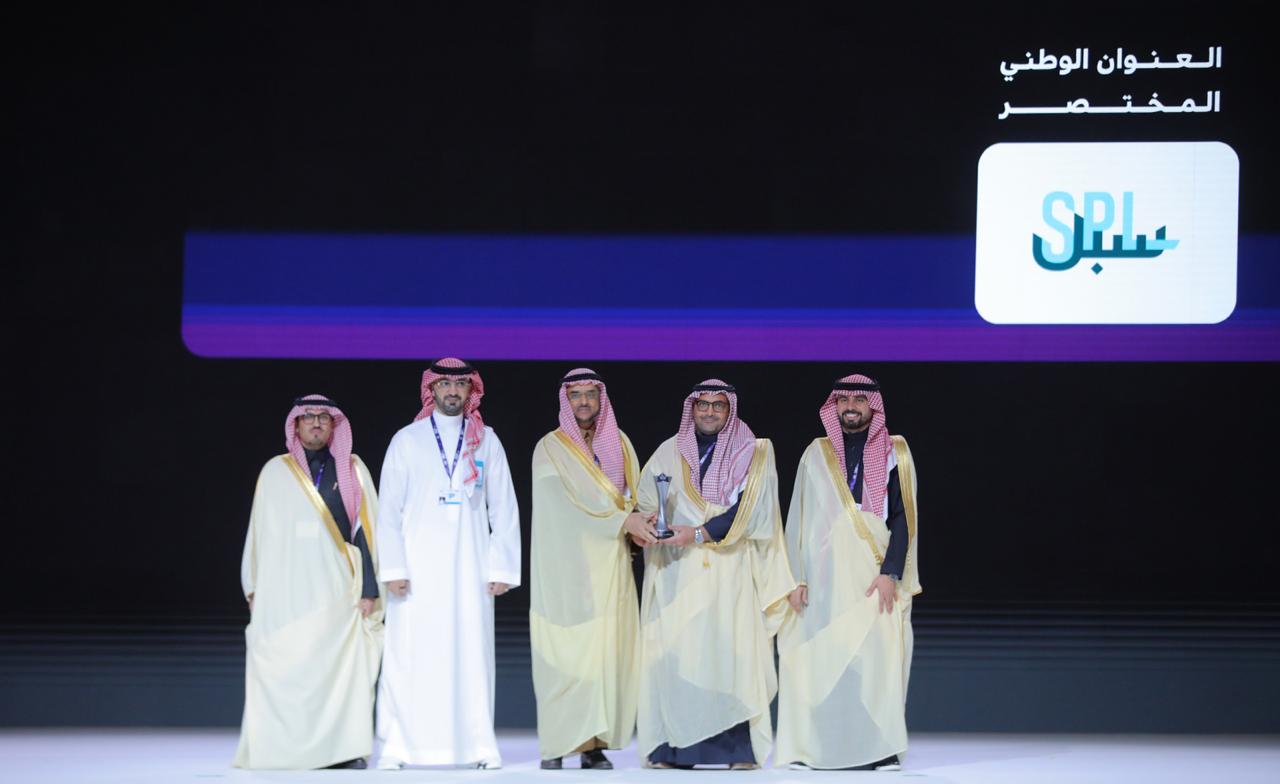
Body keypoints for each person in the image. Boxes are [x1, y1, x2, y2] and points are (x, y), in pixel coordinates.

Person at [633, 379, 795, 770]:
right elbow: (645, 501)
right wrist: (645, 525)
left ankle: (738, 752)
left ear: (729, 410)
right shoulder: (668, 451)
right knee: (678, 657)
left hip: (730, 569)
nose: (709, 412)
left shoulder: (753, 451)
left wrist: (698, 533)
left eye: (717, 405)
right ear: (692, 408)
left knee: (730, 656)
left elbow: (751, 512)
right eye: (702, 404)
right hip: (677, 572)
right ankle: (674, 752)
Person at [374, 358, 522, 770]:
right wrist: (393, 568)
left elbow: (504, 507)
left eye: (460, 384)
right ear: (431, 390)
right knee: (409, 655)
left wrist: (502, 568)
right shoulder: (407, 440)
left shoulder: (486, 441)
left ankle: (478, 746)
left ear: (471, 390)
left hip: (470, 572)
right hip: (415, 574)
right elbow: (388, 510)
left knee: (471, 655)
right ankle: (399, 747)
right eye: (445, 384)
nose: (453, 391)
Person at [776, 374, 921, 771]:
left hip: (874, 576)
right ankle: (816, 748)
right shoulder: (816, 453)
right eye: (844, 400)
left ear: (873, 406)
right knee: (823, 658)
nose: (851, 406)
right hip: (824, 577)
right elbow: (799, 517)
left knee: (877, 661)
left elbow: (903, 519)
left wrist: (890, 573)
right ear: (834, 406)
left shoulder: (895, 452)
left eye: (859, 399)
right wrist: (796, 577)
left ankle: (880, 749)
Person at [234, 395, 383, 770]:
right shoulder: (274, 472)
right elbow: (258, 533)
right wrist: (252, 585)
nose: (316, 423)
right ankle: (281, 750)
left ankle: (343, 751)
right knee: (287, 668)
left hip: (337, 591)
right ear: (295, 425)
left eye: (323, 418)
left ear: (334, 426)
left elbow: (366, 532)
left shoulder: (352, 469)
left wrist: (370, 589)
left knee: (340, 672)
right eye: (308, 417)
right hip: (286, 592)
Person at [530, 368, 655, 769]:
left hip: (613, 566)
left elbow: (631, 498)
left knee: (604, 657)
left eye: (590, 394)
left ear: (601, 399)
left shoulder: (620, 444)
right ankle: (556, 745)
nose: (583, 402)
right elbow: (560, 508)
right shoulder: (550, 448)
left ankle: (592, 746)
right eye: (576, 395)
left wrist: (639, 525)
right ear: (565, 401)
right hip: (567, 569)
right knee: (566, 655)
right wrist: (622, 521)